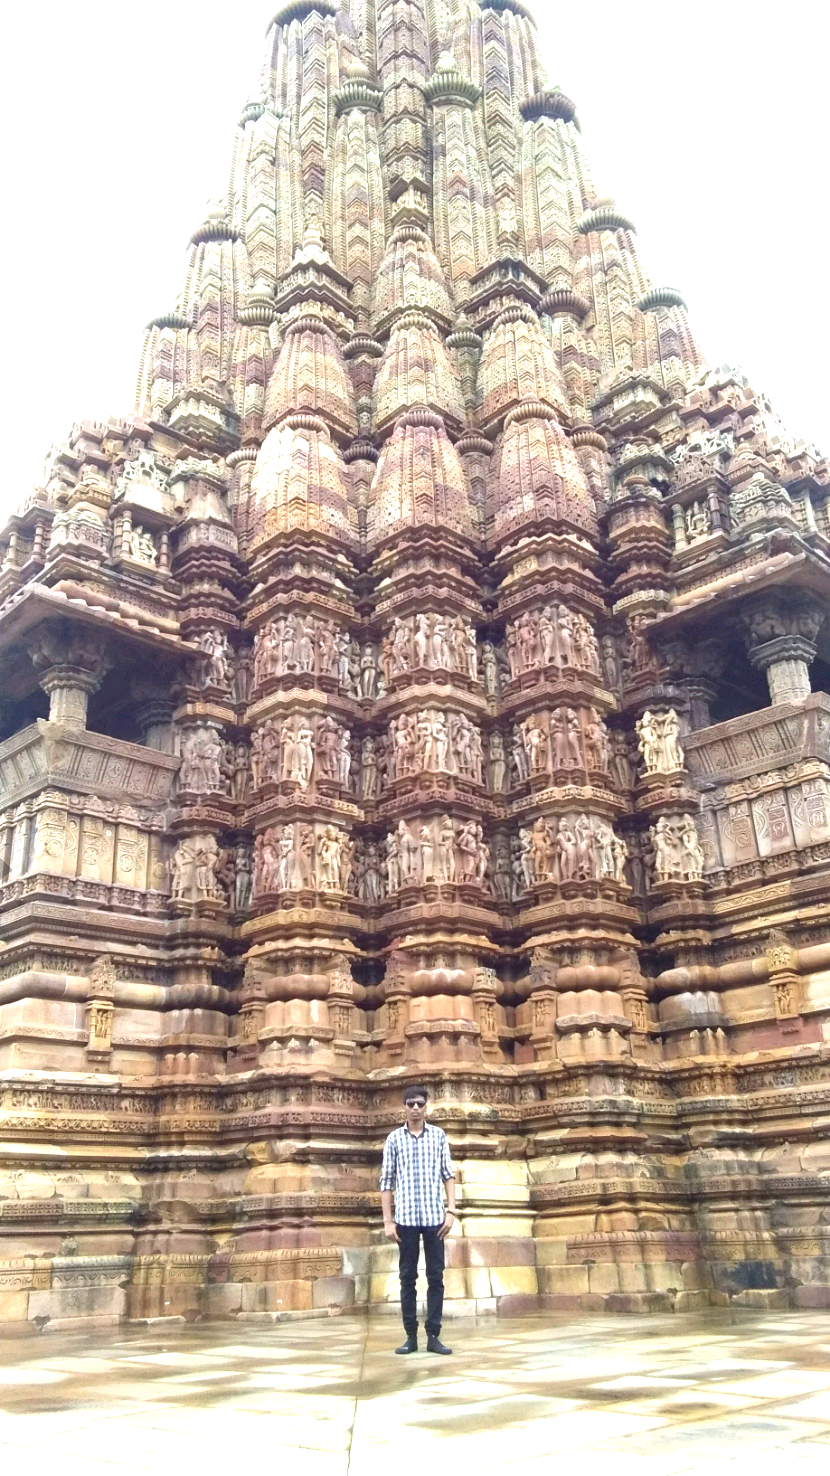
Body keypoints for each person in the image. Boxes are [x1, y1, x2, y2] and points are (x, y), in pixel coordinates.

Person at [379, 1085, 457, 1355]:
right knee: (407, 1278)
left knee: (436, 1277)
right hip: (406, 1219)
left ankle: (433, 1335)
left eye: (420, 1104)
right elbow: (386, 1182)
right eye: (410, 1104)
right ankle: (410, 1336)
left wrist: (451, 1211)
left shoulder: (438, 1136)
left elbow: (448, 1174)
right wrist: (388, 1221)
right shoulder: (394, 1140)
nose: (415, 1108)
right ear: (404, 1107)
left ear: (426, 1107)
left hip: (435, 1217)